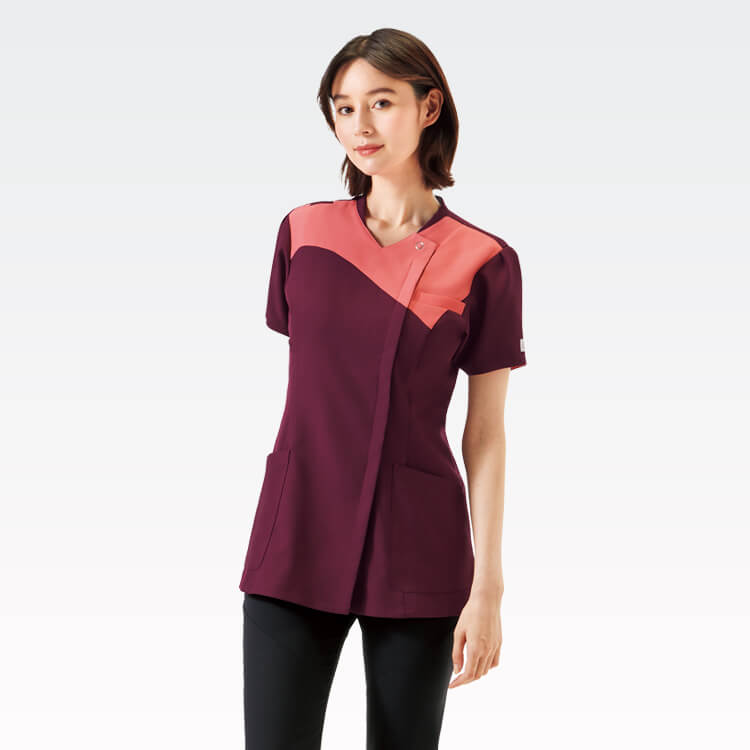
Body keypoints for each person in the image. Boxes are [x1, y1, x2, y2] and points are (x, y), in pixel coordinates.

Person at [239, 27, 527, 750]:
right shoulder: (303, 234)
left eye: (382, 102)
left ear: (429, 108)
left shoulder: (484, 260)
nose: (360, 125)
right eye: (343, 107)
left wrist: (488, 586)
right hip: (295, 532)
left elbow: (486, 433)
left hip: (417, 547)